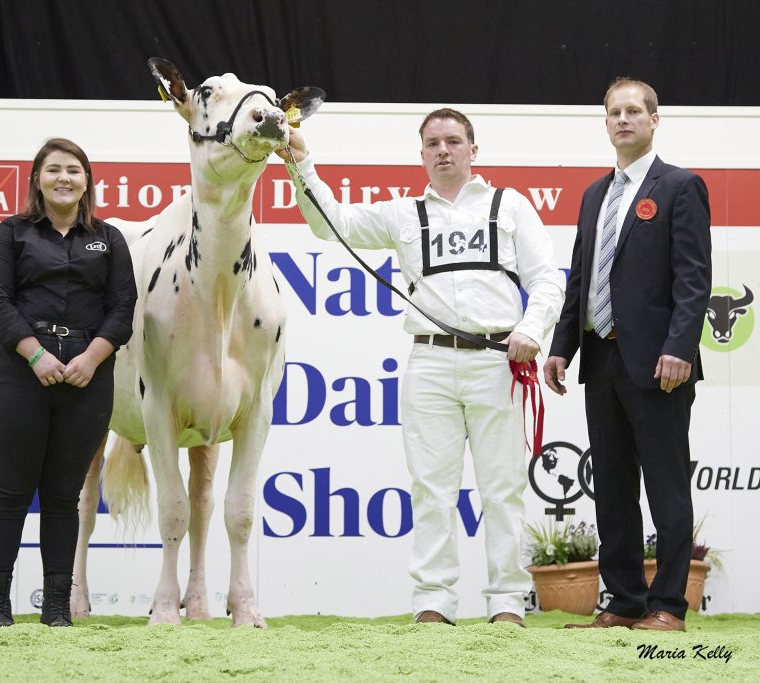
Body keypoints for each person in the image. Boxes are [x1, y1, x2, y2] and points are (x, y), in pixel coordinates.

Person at [277, 109, 565, 626]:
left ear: (473, 150)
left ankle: (506, 603)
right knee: (431, 489)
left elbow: (547, 278)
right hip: (429, 362)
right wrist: (302, 162)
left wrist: (531, 329)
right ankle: (433, 602)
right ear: (422, 153)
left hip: (499, 361)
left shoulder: (510, 206)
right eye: (433, 143)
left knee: (502, 489)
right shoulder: (402, 213)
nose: (443, 150)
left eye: (454, 141)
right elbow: (333, 226)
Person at [544, 78, 711, 632]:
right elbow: (580, 278)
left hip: (660, 364)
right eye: (614, 112)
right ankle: (622, 602)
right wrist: (561, 347)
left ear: (654, 119)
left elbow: (693, 281)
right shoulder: (596, 194)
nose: (623, 120)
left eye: (634, 111)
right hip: (601, 358)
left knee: (665, 483)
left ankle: (667, 606)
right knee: (612, 486)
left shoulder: (680, 186)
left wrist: (679, 349)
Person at [0, 138, 136, 628]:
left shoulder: (108, 239)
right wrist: (36, 355)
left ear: (87, 180)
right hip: (18, 378)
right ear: (37, 180)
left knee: (64, 497)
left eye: (73, 170)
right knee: (9, 492)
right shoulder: (12, 233)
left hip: (87, 380)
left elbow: (123, 309)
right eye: (53, 170)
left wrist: (92, 357)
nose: (63, 178)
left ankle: (55, 610)